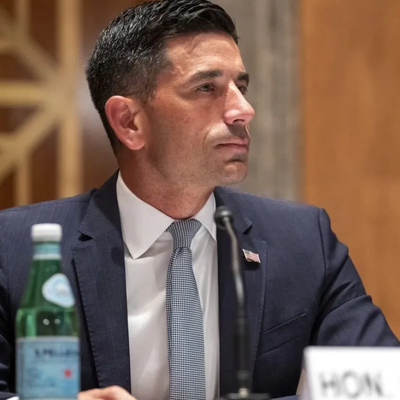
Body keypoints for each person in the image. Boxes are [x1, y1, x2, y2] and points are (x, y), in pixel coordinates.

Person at [0, 0, 398, 399]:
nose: (244, 110)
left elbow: (383, 387)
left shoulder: (303, 241)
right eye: (206, 87)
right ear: (129, 121)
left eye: (241, 87)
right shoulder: (13, 249)